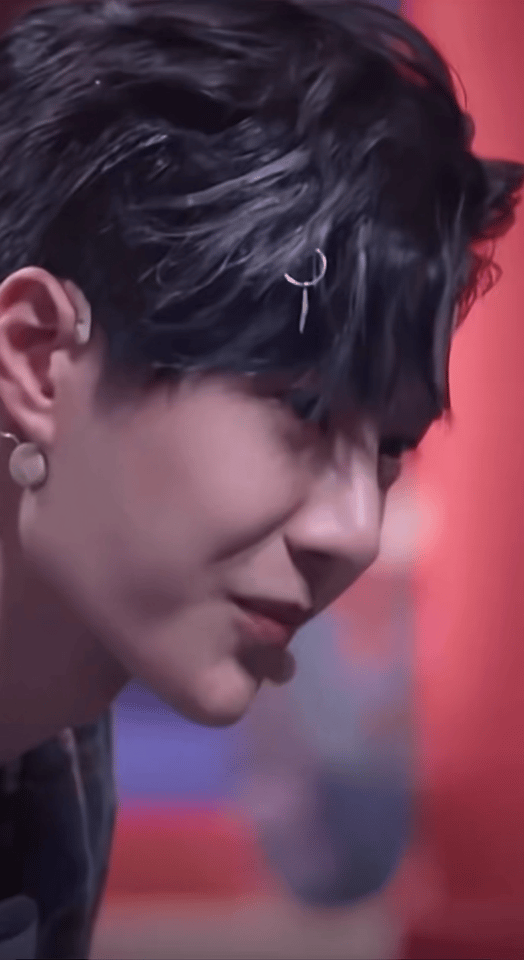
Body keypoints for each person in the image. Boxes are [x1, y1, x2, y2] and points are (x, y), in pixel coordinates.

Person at [0, 1, 521, 956]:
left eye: (390, 449)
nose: (356, 531)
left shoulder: (57, 753)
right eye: (303, 408)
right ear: (38, 360)